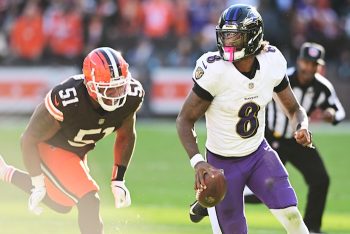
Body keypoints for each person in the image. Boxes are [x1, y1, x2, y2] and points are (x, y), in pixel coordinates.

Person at [176, 4, 313, 234]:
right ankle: (206, 202)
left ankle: (204, 204)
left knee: (292, 215)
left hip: (258, 154)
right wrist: (198, 161)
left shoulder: (271, 62)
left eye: (235, 35)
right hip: (221, 164)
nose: (228, 41)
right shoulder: (215, 70)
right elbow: (184, 120)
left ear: (252, 37)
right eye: (225, 35)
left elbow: (294, 109)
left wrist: (302, 126)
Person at [0, 47, 144, 234]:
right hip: (50, 145)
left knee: (63, 204)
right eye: (109, 88)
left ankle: (4, 172)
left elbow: (126, 135)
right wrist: (37, 182)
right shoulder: (68, 98)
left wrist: (118, 179)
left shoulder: (131, 96)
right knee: (89, 200)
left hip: (77, 150)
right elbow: (28, 139)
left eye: (120, 86)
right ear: (91, 85)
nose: (116, 94)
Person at [244, 42, 346, 234]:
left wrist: (331, 114)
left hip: (299, 140)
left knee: (320, 179)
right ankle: (229, 199)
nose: (309, 68)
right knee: (262, 189)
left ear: (319, 66)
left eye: (314, 64)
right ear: (299, 61)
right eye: (306, 62)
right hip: (271, 140)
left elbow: (338, 110)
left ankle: (312, 228)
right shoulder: (283, 77)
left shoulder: (322, 87)